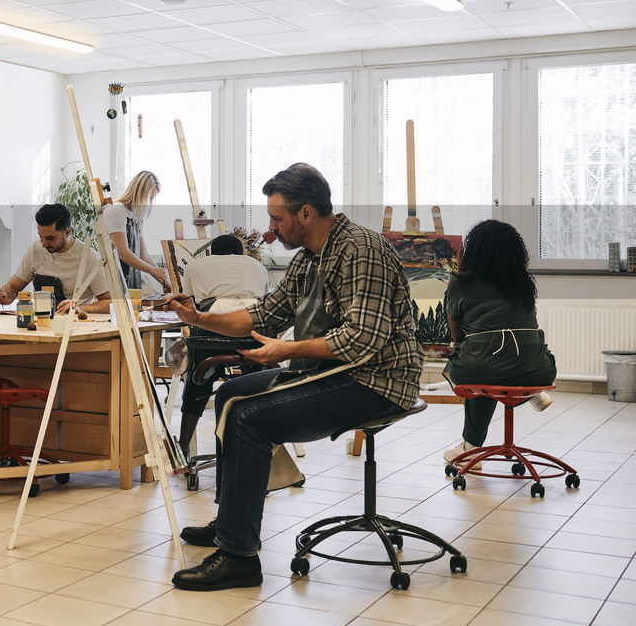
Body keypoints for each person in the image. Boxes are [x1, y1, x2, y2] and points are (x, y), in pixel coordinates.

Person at [168, 163, 421, 591]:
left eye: (277, 218)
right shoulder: (309, 259)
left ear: (306, 213)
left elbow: (361, 339)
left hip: (377, 381)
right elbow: (265, 314)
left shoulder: (361, 249)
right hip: (337, 372)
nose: (271, 229)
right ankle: (231, 520)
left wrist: (286, 350)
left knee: (250, 417)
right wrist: (200, 318)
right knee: (230, 393)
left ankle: (238, 557)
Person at [441, 219, 556, 468]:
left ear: (474, 251)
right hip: (538, 369)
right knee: (496, 367)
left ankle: (470, 449)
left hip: (481, 366)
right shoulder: (523, 284)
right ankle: (534, 393)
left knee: (476, 371)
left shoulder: (460, 283)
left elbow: (457, 336)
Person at [176, 233, 270, 456]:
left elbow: (190, 305)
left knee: (196, 385)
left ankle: (183, 447)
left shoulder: (195, 266)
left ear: (212, 252)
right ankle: (265, 452)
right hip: (252, 334)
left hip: (212, 335)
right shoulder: (257, 266)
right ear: (241, 253)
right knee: (258, 386)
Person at [0, 202, 111, 315]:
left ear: (67, 232)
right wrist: (4, 294)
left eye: (50, 238)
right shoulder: (36, 250)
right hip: (42, 320)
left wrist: (80, 308)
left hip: (74, 325)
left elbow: (110, 303)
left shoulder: (88, 257)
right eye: (41, 237)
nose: (44, 243)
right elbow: (13, 287)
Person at [103, 170, 169, 292]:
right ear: (141, 193)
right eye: (150, 197)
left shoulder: (137, 216)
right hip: (115, 278)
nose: (150, 202)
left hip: (132, 278)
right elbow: (123, 253)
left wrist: (165, 281)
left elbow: (144, 256)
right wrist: (153, 270)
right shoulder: (117, 211)